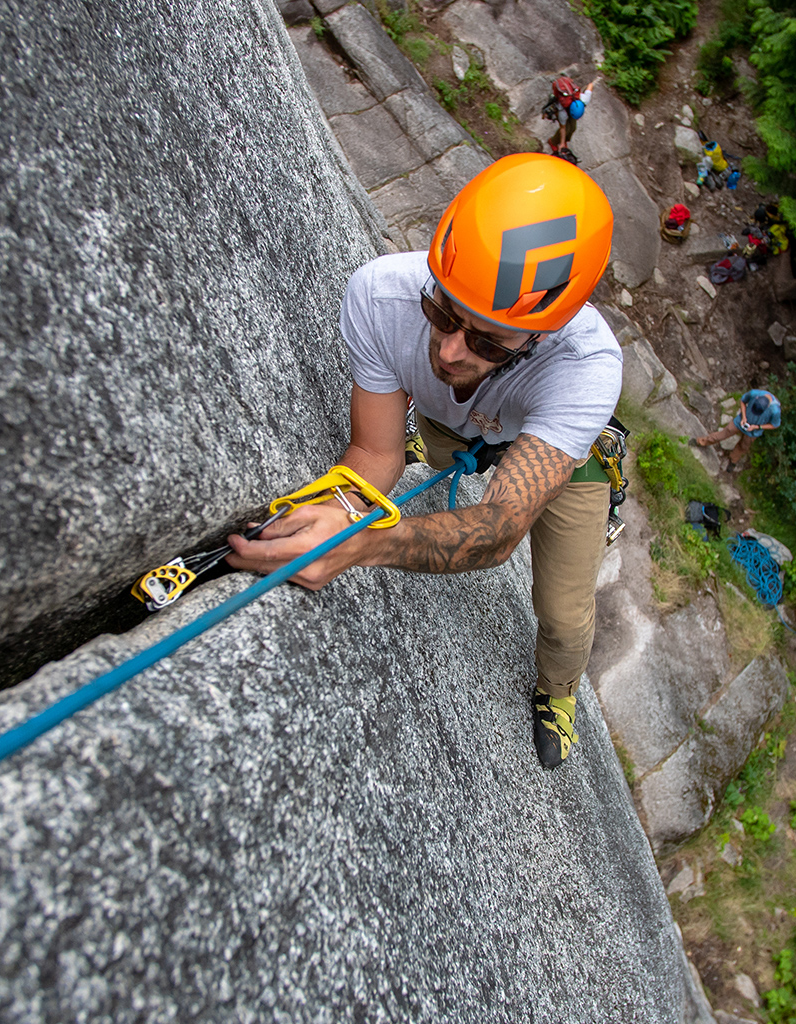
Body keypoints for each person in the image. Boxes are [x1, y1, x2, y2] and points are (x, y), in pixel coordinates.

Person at [226, 154, 622, 771]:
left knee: (566, 615)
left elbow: (499, 529)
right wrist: (338, 514)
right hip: (448, 422)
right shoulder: (381, 296)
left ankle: (558, 688)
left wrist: (361, 545)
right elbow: (376, 451)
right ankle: (442, 436)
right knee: (432, 435)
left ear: (546, 332)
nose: (450, 348)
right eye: (442, 312)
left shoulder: (586, 367)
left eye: (489, 340)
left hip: (560, 461)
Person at [692, 388, 781, 472]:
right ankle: (701, 441)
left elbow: (774, 425)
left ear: (767, 408)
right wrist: (744, 417)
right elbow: (743, 401)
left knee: (743, 446)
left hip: (753, 431)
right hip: (741, 421)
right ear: (757, 399)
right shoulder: (754, 394)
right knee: (725, 432)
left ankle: (733, 460)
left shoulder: (775, 411)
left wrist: (757, 427)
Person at [546, 77, 598, 157]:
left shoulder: (584, 99)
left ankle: (564, 140)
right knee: (566, 129)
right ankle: (553, 142)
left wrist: (591, 84)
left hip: (571, 108)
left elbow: (590, 86)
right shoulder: (562, 112)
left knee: (573, 128)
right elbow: (562, 128)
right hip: (563, 108)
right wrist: (562, 144)